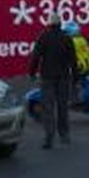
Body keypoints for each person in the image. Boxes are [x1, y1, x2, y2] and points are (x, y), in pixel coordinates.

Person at [28, 13, 77, 149]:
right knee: (62, 107)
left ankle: (49, 138)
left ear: (48, 24)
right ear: (60, 24)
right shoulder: (67, 38)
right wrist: (75, 79)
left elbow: (35, 57)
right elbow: (73, 60)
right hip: (63, 78)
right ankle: (64, 135)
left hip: (47, 78)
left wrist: (31, 73)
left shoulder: (43, 37)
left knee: (48, 109)